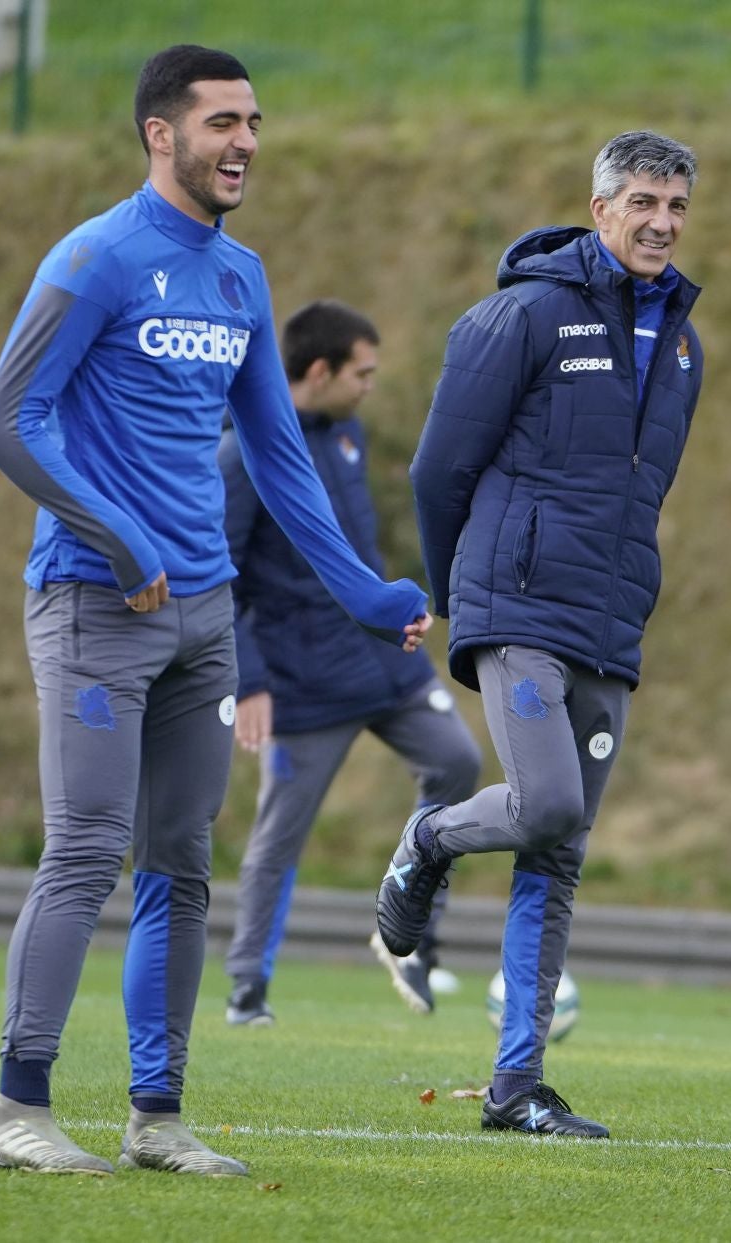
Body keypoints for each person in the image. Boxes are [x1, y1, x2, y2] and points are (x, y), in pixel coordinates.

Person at [0, 45, 431, 1179]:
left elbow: (281, 457)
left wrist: (365, 594)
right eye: (223, 122)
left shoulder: (241, 277)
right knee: (85, 850)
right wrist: (118, 539)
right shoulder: (97, 256)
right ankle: (16, 1111)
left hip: (204, 621)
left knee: (180, 862)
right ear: (159, 135)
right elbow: (7, 421)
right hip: (94, 602)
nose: (247, 143)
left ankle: (157, 1116)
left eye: (255, 121)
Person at [375, 131, 702, 1138]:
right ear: (599, 208)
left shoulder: (687, 344)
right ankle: (426, 843)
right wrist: (458, 592)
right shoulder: (521, 316)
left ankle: (516, 1090)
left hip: (609, 621)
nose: (661, 221)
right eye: (642, 201)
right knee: (547, 801)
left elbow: (643, 491)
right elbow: (438, 471)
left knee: (557, 851)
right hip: (514, 606)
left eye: (677, 206)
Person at [220, 300, 483, 1024]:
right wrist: (251, 681)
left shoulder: (348, 437)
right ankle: (248, 990)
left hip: (388, 668)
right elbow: (224, 575)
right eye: (361, 373)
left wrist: (397, 608)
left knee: (459, 761)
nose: (371, 384)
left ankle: (411, 930)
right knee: (280, 835)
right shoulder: (244, 453)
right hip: (303, 682)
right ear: (318, 371)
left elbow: (357, 551)